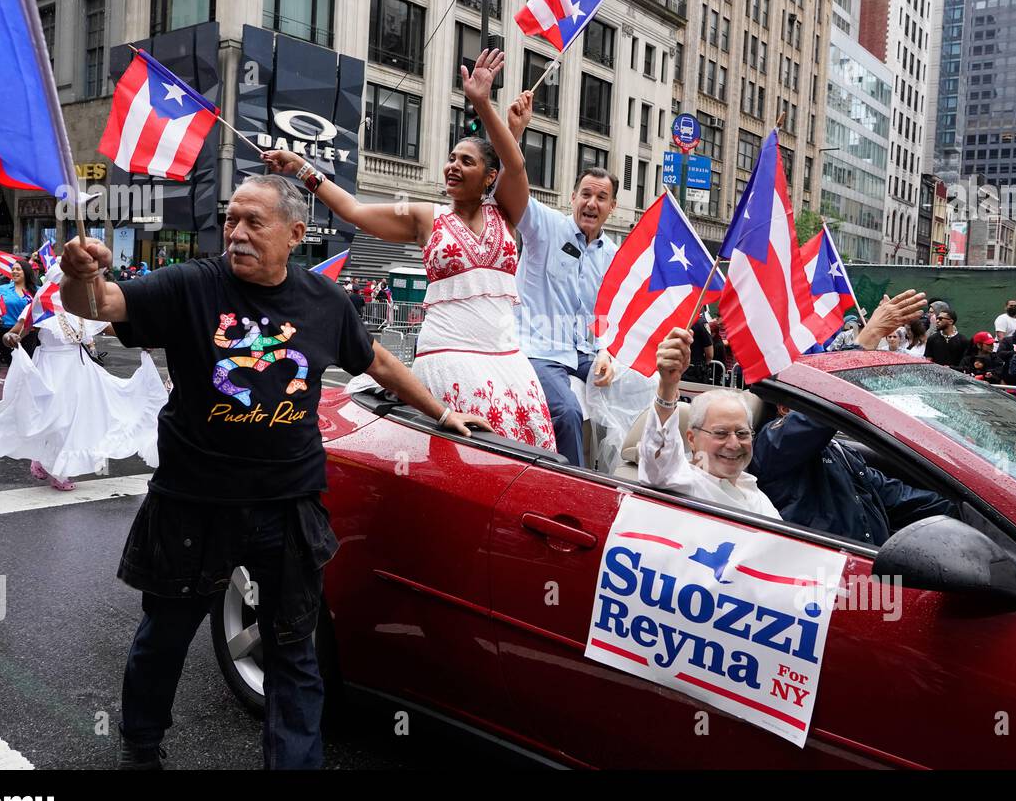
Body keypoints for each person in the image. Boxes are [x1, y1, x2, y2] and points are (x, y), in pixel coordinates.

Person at [57, 173, 491, 770]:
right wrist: (78, 274)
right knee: (164, 639)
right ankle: (141, 746)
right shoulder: (190, 285)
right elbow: (100, 306)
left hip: (288, 506)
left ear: (295, 234)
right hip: (194, 504)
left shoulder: (324, 301)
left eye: (253, 222)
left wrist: (443, 412)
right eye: (231, 219)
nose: (236, 232)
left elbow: (380, 361)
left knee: (294, 652)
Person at [263, 50, 555, 450]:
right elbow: (354, 210)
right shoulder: (426, 217)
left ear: (489, 177)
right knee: (455, 459)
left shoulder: (506, 209)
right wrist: (300, 166)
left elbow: (515, 167)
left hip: (507, 362)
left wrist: (483, 105)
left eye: (465, 161)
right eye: (450, 158)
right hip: (446, 358)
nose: (452, 166)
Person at [752, 290, 957, 544]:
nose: (825, 396)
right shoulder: (773, 443)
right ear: (785, 408)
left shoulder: (840, 450)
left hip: (871, 564)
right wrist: (868, 337)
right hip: (831, 570)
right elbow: (820, 413)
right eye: (811, 390)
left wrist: (964, 509)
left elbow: (892, 494)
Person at [506, 90, 618, 465]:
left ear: (612, 207)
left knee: (640, 388)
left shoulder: (613, 255)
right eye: (586, 194)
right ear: (572, 198)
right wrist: (514, 136)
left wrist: (607, 351)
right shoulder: (545, 227)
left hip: (585, 354)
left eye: (601, 198)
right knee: (567, 412)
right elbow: (511, 189)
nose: (592, 203)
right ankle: (577, 493)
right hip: (539, 349)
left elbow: (607, 316)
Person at [0, 302, 166, 491]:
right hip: (52, 370)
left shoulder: (81, 307)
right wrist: (11, 336)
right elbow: (18, 330)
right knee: (57, 420)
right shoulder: (41, 305)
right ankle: (47, 461)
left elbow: (107, 327)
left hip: (80, 369)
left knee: (77, 420)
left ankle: (58, 469)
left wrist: (138, 339)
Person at [638, 326, 780, 516]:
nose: (733, 444)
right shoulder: (681, 484)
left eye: (742, 433)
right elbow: (657, 460)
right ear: (691, 439)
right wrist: (667, 385)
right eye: (721, 433)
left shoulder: (759, 498)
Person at [0, 257, 39, 365]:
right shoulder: (0, 289)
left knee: (27, 366)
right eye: (13, 269)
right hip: (6, 332)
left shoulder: (37, 291)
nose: (14, 271)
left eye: (18, 269)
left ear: (26, 272)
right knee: (13, 365)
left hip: (29, 333)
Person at [683, 314, 714, 382]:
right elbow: (709, 354)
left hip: (677, 367)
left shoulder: (677, 318)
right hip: (695, 371)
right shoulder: (701, 322)